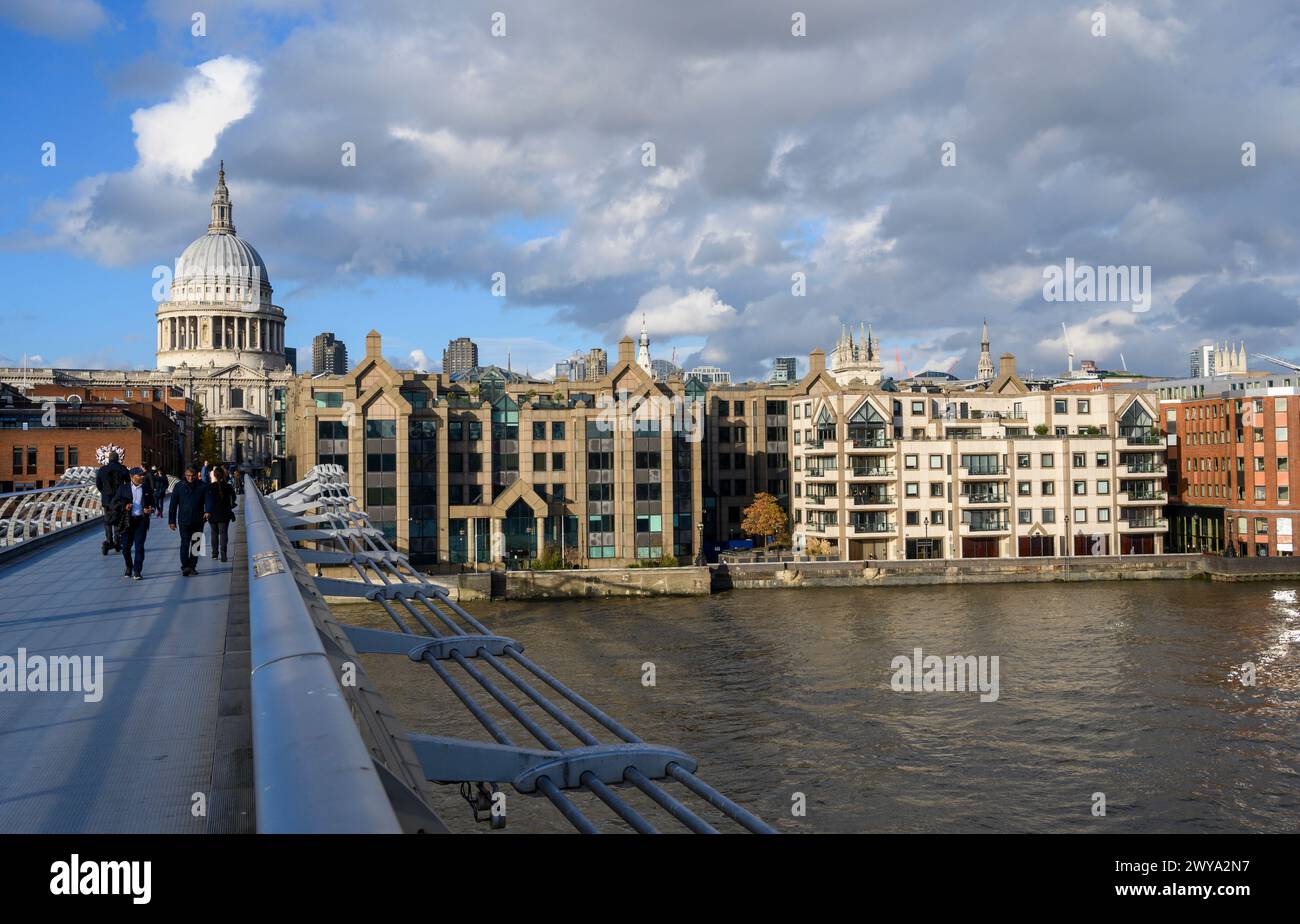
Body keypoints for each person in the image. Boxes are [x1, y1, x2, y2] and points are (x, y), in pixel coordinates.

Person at [112, 467, 156, 580]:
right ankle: (129, 566)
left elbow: (153, 503)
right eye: (139, 475)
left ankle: (137, 571)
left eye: (142, 475)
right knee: (126, 548)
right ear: (132, 476)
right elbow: (114, 503)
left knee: (139, 547)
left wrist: (150, 509)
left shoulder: (146, 488)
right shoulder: (123, 488)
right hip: (127, 522)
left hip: (141, 521)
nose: (142, 477)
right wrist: (124, 506)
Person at [168, 466, 209, 576]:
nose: (190, 478)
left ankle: (192, 566)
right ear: (185, 475)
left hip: (198, 520)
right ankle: (185, 566)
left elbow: (208, 500)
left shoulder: (202, 486)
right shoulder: (179, 486)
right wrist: (171, 521)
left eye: (192, 476)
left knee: (197, 544)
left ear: (196, 475)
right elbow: (173, 505)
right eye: (188, 476)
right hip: (184, 520)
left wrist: (207, 511)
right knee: (185, 543)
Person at [94, 451, 129, 555]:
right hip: (120, 500)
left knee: (108, 521)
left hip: (107, 500)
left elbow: (98, 484)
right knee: (119, 520)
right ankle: (117, 540)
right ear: (118, 459)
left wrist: (104, 492)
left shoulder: (102, 470)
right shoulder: (123, 469)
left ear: (109, 459)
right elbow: (127, 484)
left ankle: (109, 540)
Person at [205, 466, 237, 563]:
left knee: (214, 533)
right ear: (223, 475)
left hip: (212, 514)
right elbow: (233, 499)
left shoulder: (209, 487)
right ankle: (224, 555)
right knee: (223, 534)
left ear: (214, 475)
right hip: (224, 514)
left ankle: (215, 554)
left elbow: (207, 501)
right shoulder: (228, 487)